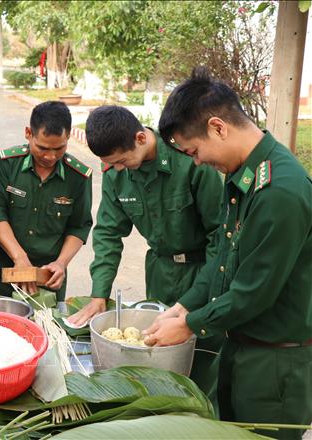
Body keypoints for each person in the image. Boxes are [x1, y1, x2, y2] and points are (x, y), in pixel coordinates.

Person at [143, 67, 312, 440]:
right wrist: (184, 306)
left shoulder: (279, 190)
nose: (198, 162)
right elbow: (221, 256)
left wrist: (189, 326)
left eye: (194, 151)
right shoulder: (242, 177)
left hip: (275, 362)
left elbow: (255, 290)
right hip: (241, 346)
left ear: (218, 127)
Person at [67, 105, 224, 397]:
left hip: (206, 271)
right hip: (161, 272)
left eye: (121, 162)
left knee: (202, 359)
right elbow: (108, 232)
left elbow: (220, 234)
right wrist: (100, 293)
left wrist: (201, 295)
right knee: (159, 360)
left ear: (140, 138)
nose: (116, 170)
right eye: (110, 164)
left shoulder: (189, 159)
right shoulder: (117, 173)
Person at [0, 101, 92, 301]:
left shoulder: (78, 176)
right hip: (7, 268)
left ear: (69, 136)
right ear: (28, 133)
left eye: (59, 148)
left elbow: (79, 226)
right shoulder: (7, 164)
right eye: (42, 148)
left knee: (48, 327)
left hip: (50, 275)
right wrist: (19, 257)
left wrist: (61, 263)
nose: (50, 156)